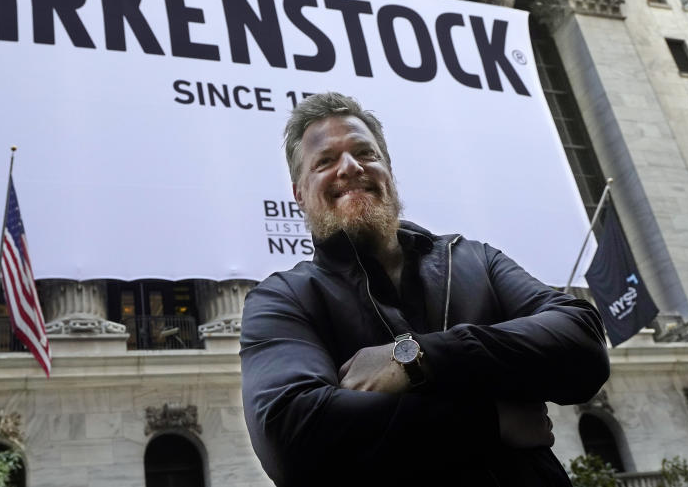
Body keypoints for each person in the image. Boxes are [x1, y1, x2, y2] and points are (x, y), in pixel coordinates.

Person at [240, 92, 610, 486]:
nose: (349, 168)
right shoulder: (282, 299)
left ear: (388, 169)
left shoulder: (473, 259)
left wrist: (416, 359)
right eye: (326, 161)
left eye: (364, 153)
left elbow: (582, 341)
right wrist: (490, 421)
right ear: (299, 193)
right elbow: (293, 437)